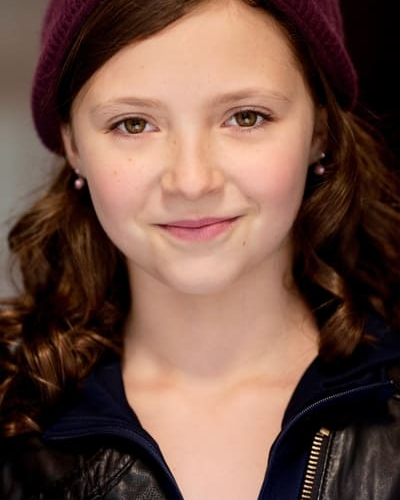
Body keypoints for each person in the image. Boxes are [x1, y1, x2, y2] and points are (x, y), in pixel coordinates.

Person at [1, 0, 400, 498]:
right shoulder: (12, 424)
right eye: (133, 124)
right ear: (73, 145)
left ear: (319, 130)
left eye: (246, 117)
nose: (191, 182)